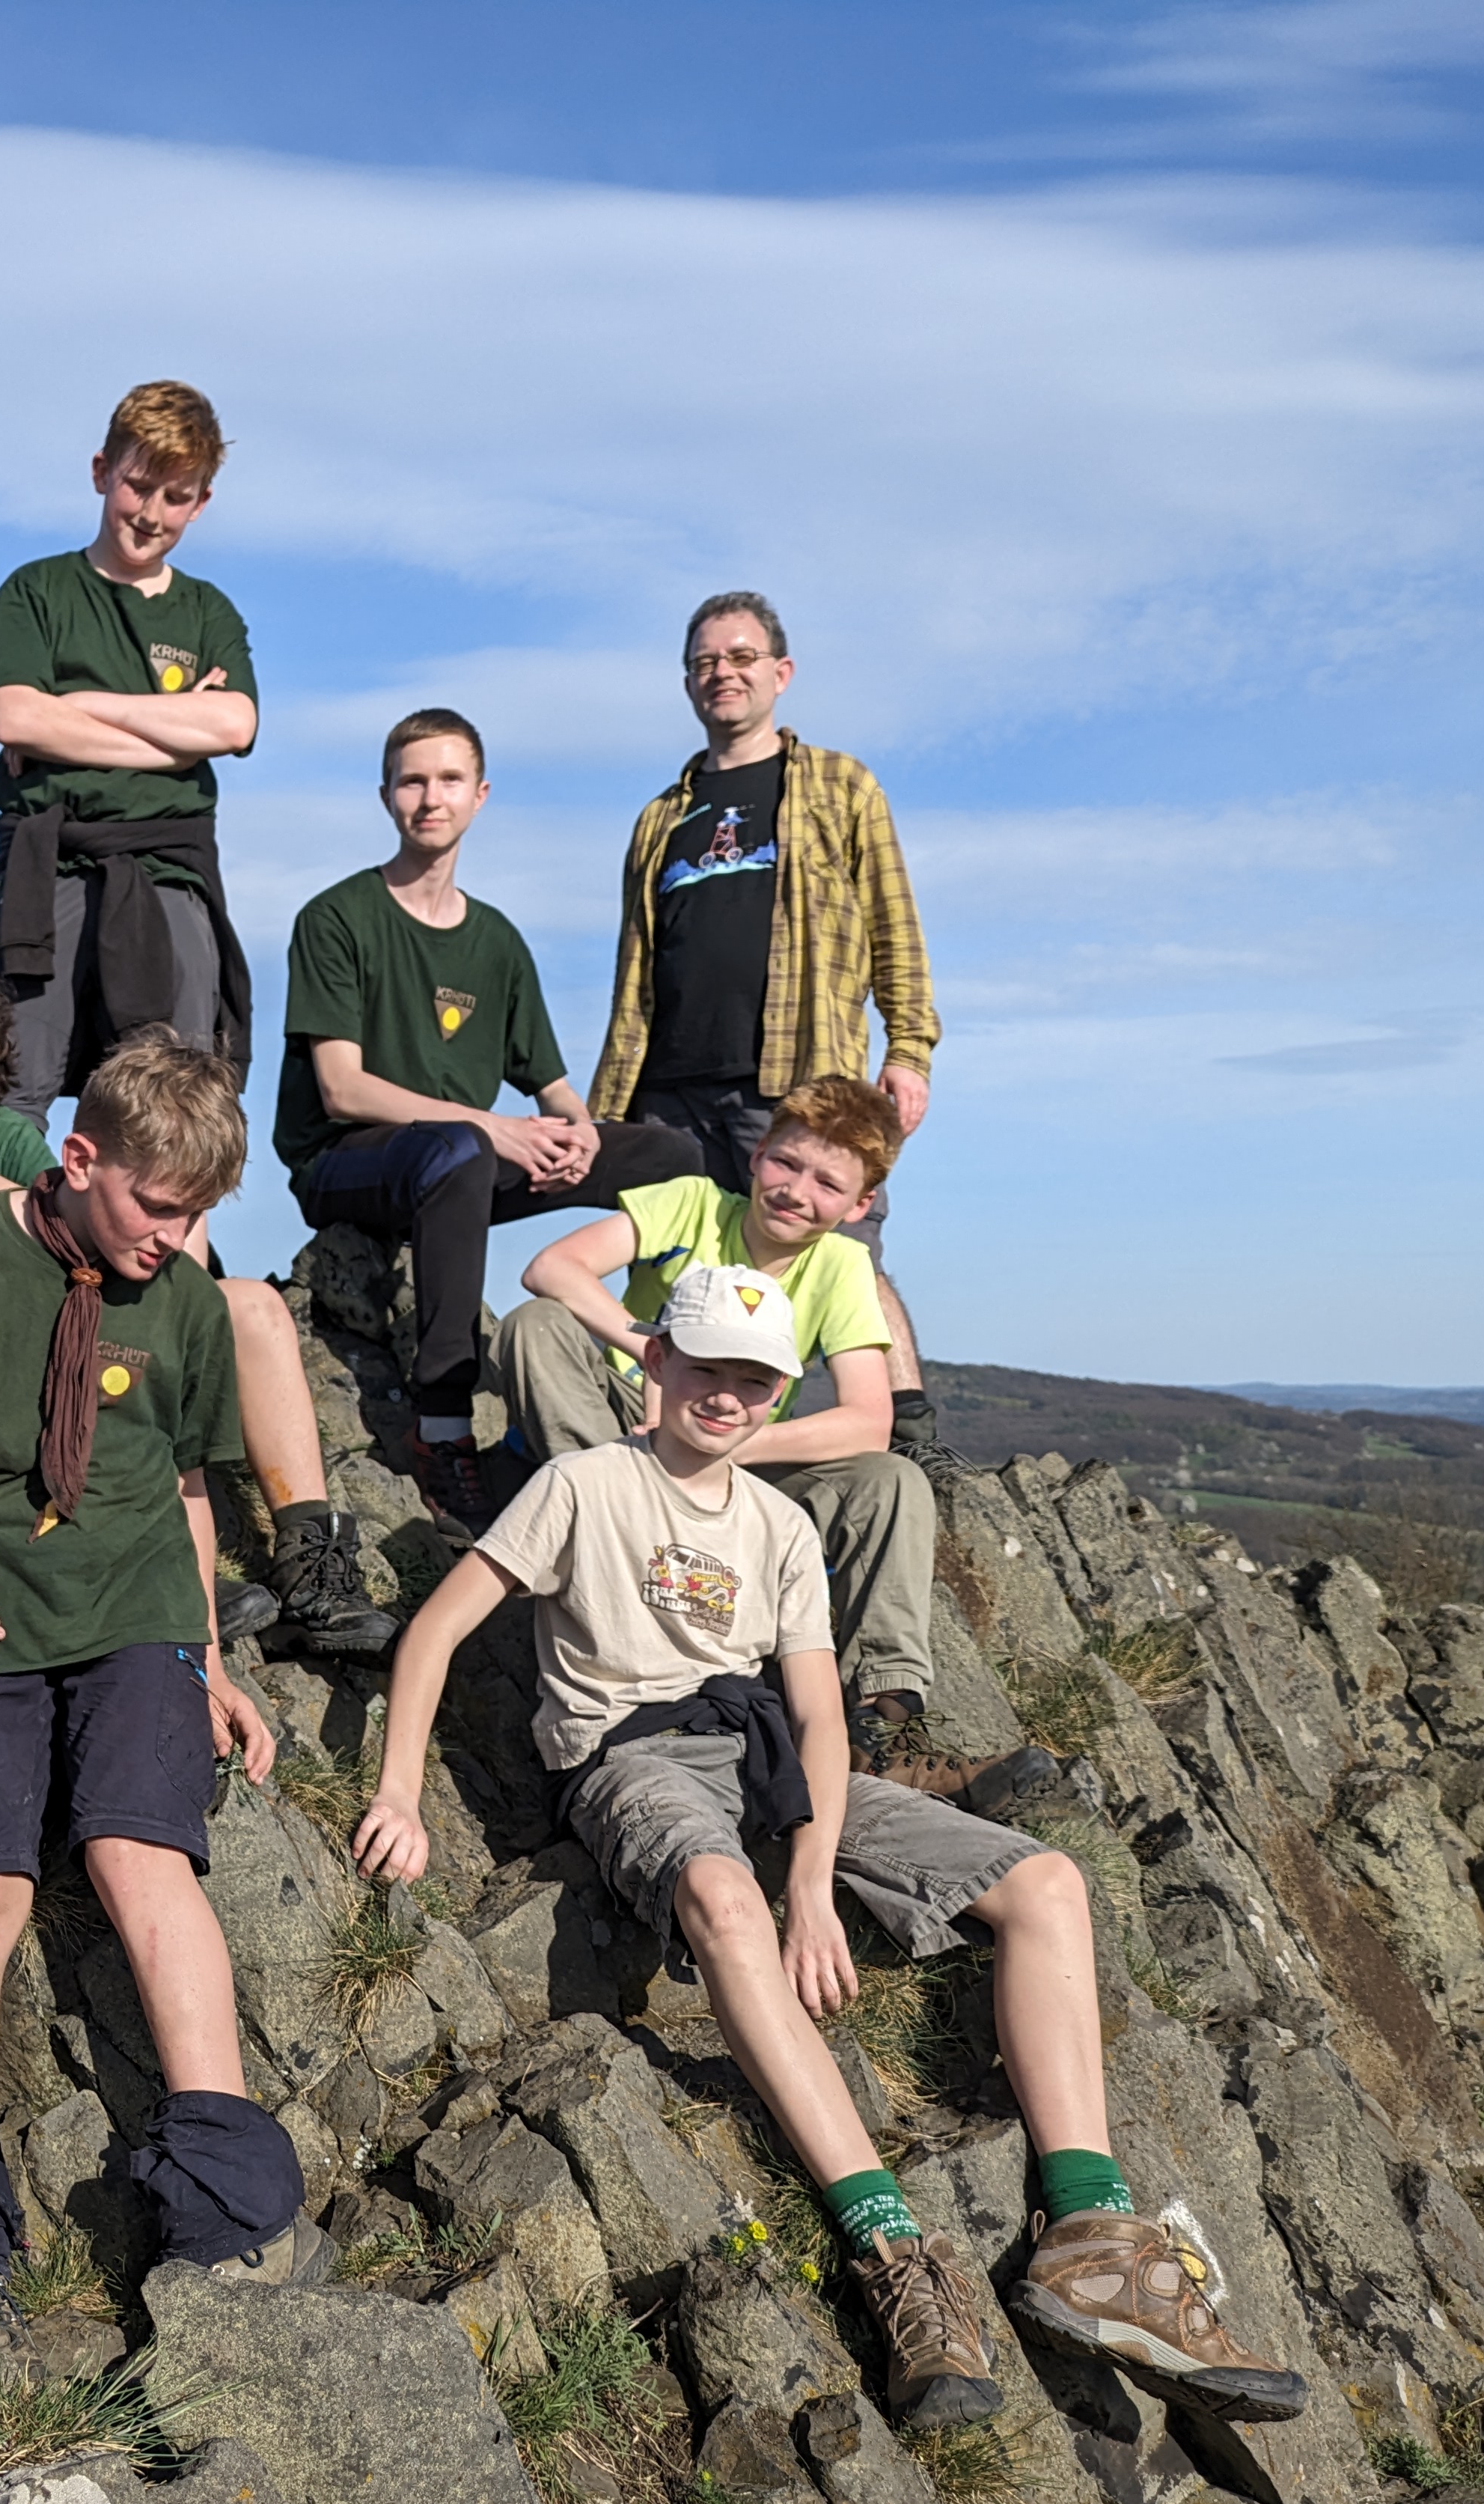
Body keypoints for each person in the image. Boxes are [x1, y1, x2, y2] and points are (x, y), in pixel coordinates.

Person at [355, 1264, 1310, 2431]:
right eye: (706, 1367)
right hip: (632, 1758)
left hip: (766, 1759)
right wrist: (399, 1792)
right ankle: (891, 2247)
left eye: (756, 1380)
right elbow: (438, 1630)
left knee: (1049, 1883)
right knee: (722, 1897)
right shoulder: (583, 1483)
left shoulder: (778, 1524)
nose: (728, 1396)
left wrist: (813, 1886)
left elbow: (816, 1716)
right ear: (656, 1361)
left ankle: (1093, 2238)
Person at [0, 1035, 329, 2346]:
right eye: (157, 1206)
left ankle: (227, 2203)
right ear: (78, 1160)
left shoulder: (185, 1300)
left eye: (196, 1216)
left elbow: (185, 1484)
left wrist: (209, 1661)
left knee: (139, 1858)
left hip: (137, 1612)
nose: (173, 1239)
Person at [0, 948, 392, 1657]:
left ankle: (310, 1556)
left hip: (54, 1342)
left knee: (254, 1308)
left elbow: (80, 1230)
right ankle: (148, 1573)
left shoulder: (5, 1140)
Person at [490, 1078, 1051, 1808]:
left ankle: (881, 1725)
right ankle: (610, 1534)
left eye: (827, 1184)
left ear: (859, 1206)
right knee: (536, 1325)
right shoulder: (691, 1203)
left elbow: (868, 1421)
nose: (795, 1191)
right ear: (757, 1156)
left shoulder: (841, 1266)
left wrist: (727, 1448)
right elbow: (549, 1269)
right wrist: (657, 1351)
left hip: (737, 1448)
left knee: (891, 1481)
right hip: (624, 1425)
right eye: (786, 1163)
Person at [275, 708, 704, 1534]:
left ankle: (667, 1362)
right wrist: (496, 1128)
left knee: (668, 1154)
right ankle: (442, 1426)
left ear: (479, 795)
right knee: (464, 1147)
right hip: (349, 1165)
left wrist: (576, 1129)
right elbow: (341, 1088)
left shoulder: (497, 939)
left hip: (463, 1161)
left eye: (448, 780)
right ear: (386, 796)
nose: (429, 798)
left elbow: (550, 1082)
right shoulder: (336, 917)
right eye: (411, 781)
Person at [585, 594, 965, 1474]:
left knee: (838, 1250)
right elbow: (634, 968)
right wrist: (610, 1108)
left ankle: (907, 1430)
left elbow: (895, 926)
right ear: (687, 681)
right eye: (704, 661)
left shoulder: (840, 785)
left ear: (780, 674)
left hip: (800, 1077)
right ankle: (670, 1450)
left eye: (741, 657)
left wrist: (909, 1049)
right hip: (669, 1088)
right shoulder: (660, 817)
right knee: (683, 1268)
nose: (722, 673)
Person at [0, 380, 258, 1127]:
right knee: (5, 1095)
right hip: (47, 871)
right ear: (102, 472)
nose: (152, 513)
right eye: (138, 486)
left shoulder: (208, 611)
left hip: (167, 873)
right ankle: (11, 1209)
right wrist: (174, 739)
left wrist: (76, 705)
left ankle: (161, 1216)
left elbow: (234, 725)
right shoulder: (37, 591)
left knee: (176, 1105)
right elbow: (12, 715)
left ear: (201, 503)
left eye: (176, 497)